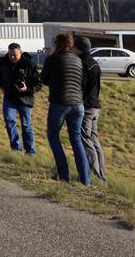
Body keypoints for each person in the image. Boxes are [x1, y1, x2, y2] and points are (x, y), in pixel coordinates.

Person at [39, 32, 91, 185]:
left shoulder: (52, 59)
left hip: (60, 102)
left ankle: (63, 174)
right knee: (76, 139)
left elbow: (43, 79)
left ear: (57, 43)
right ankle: (85, 179)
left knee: (53, 136)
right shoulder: (77, 59)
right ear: (71, 44)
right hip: (78, 104)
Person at [0, 43, 39, 155]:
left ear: (21, 53)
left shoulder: (29, 64)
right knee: (9, 120)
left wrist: (27, 89)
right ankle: (16, 148)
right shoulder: (3, 62)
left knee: (26, 125)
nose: (12, 57)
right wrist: (0, 87)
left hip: (25, 98)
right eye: (10, 55)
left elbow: (38, 83)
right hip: (9, 97)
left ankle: (30, 152)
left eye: (15, 55)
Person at [74, 37, 105, 183]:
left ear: (78, 48)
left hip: (86, 107)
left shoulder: (82, 63)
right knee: (94, 140)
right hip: (95, 106)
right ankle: (102, 173)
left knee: (86, 141)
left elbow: (81, 86)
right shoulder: (94, 63)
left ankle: (95, 175)